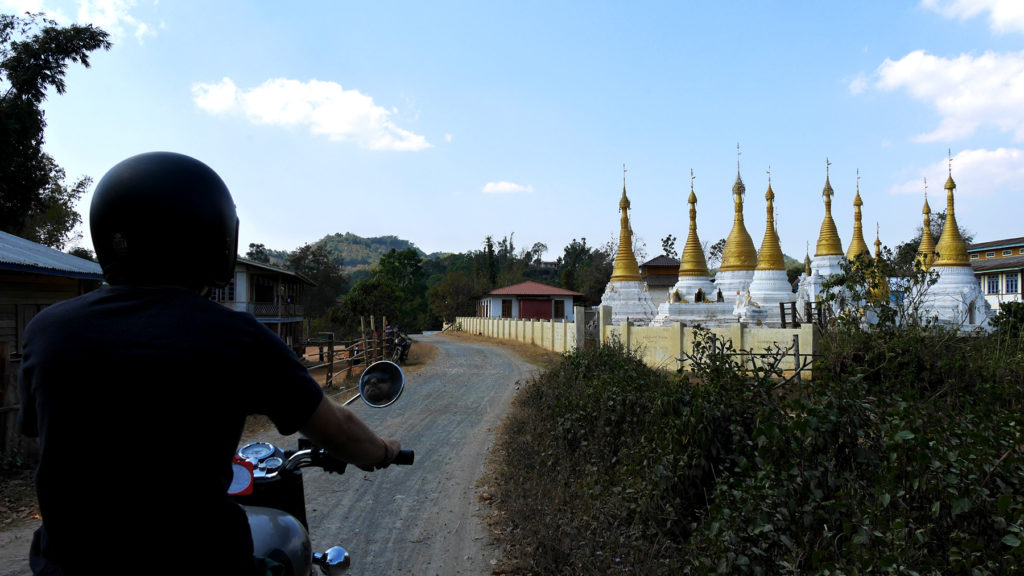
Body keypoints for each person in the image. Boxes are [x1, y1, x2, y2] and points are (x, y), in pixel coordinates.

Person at [17, 152, 401, 575]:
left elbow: (39, 440)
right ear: (213, 236)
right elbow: (338, 430)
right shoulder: (235, 337)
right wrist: (381, 451)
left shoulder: (47, 330)